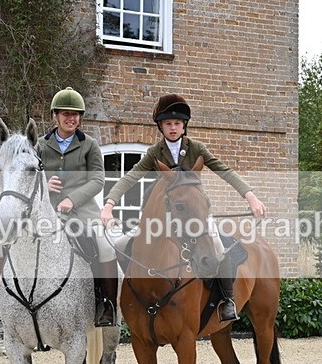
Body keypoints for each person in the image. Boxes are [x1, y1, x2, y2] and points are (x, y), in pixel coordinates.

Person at [100, 94, 266, 323]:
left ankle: (227, 300)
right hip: (163, 214)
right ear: (161, 126)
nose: (173, 128)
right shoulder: (154, 153)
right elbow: (130, 178)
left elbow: (224, 170)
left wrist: (251, 196)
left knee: (218, 248)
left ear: (184, 125)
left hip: (195, 212)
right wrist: (109, 205)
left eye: (177, 123)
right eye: (168, 124)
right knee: (121, 245)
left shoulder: (196, 148)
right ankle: (123, 298)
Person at [0, 87, 118, 327]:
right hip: (43, 213)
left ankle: (108, 306)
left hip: (82, 213)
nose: (72, 119)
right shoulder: (37, 144)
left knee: (104, 245)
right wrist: (45, 185)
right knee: (0, 244)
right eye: (66, 114)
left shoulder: (90, 145)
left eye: (76, 114)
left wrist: (73, 199)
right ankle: (1, 299)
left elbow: (98, 180)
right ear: (55, 116)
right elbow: (25, 174)